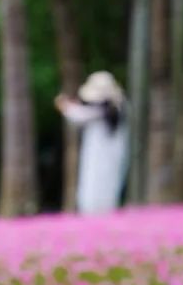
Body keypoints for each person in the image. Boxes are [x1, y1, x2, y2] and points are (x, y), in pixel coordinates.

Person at [55, 72, 131, 214]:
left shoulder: (105, 110)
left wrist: (65, 106)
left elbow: (79, 115)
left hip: (100, 155)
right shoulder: (117, 108)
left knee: (96, 182)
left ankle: (96, 211)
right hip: (110, 155)